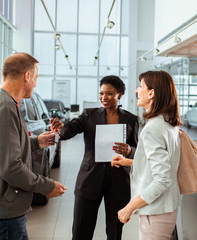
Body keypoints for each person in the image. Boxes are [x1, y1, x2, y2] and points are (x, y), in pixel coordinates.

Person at [0, 53, 67, 240]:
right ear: (27, 76)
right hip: (0, 211)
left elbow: (1, 147)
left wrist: (37, 142)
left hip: (0, 209)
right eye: (36, 78)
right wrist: (46, 186)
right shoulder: (3, 107)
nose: (36, 83)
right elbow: (10, 167)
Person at [51, 75, 139, 240]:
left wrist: (129, 150)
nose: (104, 98)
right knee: (80, 231)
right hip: (90, 179)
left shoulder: (131, 119)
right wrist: (59, 129)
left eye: (109, 93)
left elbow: (137, 150)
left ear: (119, 94)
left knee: (114, 233)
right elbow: (69, 130)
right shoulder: (89, 115)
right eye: (101, 93)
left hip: (118, 181)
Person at [111, 70, 182, 239]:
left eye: (140, 86)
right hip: (165, 208)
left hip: (156, 212)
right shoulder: (166, 122)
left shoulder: (153, 128)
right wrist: (129, 162)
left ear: (152, 93)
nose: (136, 90)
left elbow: (162, 180)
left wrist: (129, 207)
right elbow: (161, 164)